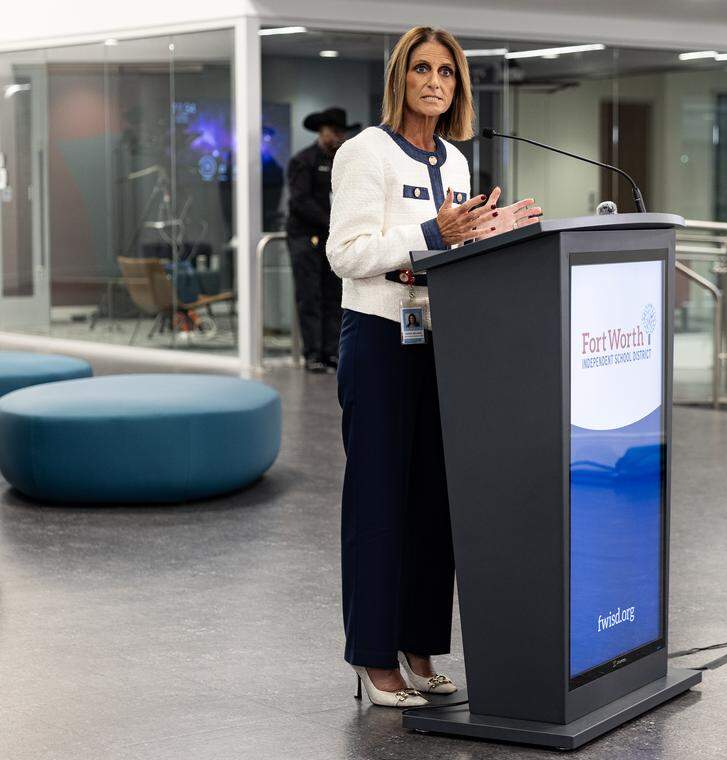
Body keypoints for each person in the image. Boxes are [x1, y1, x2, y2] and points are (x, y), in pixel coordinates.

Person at [326, 26, 542, 708]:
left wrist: (490, 232)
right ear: (401, 78)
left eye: (446, 73)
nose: (433, 82)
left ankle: (418, 648)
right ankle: (372, 656)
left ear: (458, 87)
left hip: (442, 344)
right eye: (421, 69)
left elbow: (452, 251)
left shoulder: (453, 161)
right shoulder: (366, 152)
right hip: (379, 339)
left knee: (432, 507)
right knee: (379, 502)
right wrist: (432, 235)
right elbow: (346, 252)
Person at [287, 107, 359, 373]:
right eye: (333, 132)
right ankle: (313, 354)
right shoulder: (303, 161)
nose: (337, 137)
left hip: (333, 238)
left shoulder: (344, 162)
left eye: (341, 132)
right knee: (310, 296)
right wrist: (333, 220)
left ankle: (331, 352)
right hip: (305, 237)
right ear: (322, 131)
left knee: (334, 295)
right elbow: (300, 201)